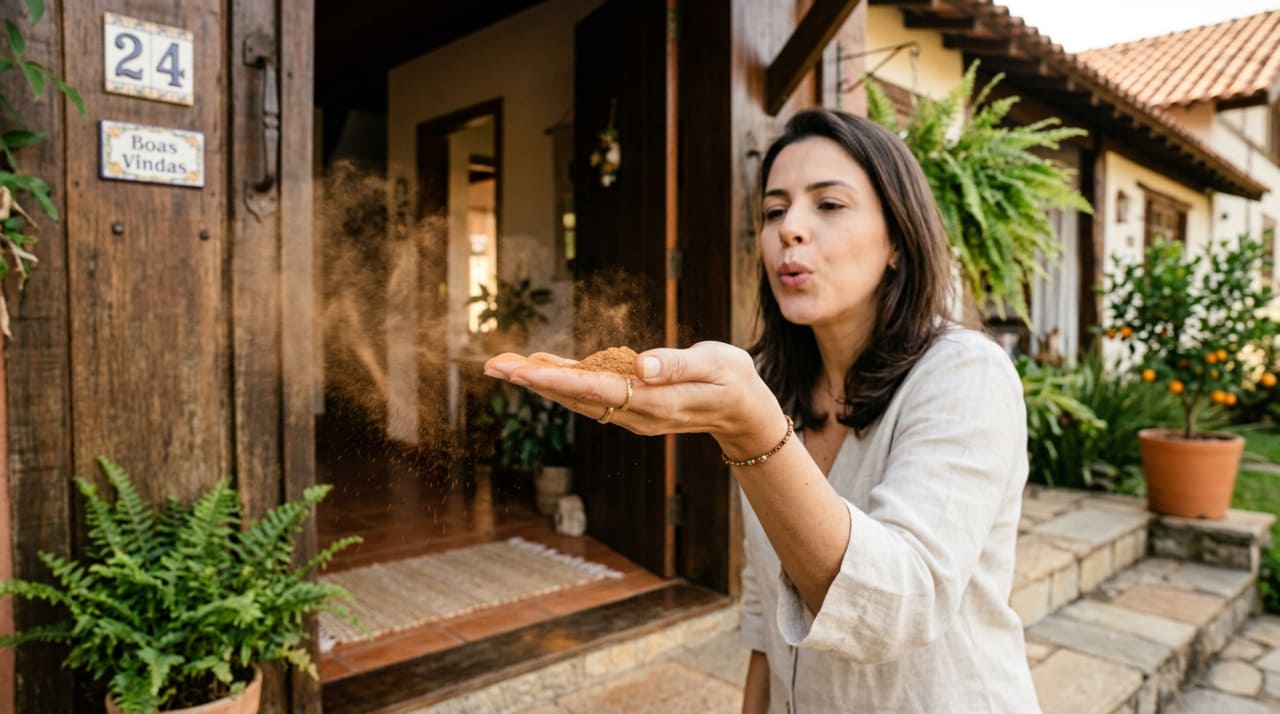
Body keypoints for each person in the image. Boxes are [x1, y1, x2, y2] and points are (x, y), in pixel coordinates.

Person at [484, 108, 1040, 713]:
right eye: (775, 210)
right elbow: (765, 614)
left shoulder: (964, 374)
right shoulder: (776, 387)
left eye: (828, 205)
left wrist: (752, 430)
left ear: (897, 242)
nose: (789, 230)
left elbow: (898, 607)